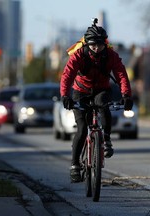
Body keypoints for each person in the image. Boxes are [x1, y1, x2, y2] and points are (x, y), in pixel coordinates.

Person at [60, 18, 133, 183]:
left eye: (100, 45)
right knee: (81, 128)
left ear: (104, 44)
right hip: (80, 92)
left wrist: (126, 95)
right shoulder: (79, 55)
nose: (96, 49)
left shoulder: (110, 55)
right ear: (86, 44)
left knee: (104, 107)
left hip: (101, 90)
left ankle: (106, 139)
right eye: (93, 45)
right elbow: (67, 75)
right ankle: (75, 165)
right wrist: (65, 95)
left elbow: (121, 74)